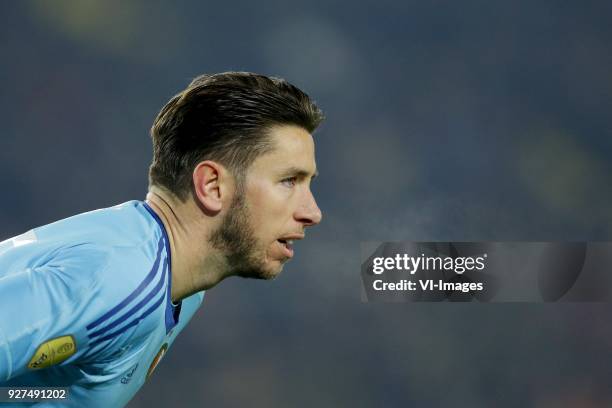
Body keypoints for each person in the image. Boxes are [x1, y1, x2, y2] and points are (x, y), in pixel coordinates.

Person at [0, 72, 323, 407]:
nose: (312, 212)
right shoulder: (118, 279)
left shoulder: (179, 282)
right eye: (289, 181)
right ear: (213, 186)